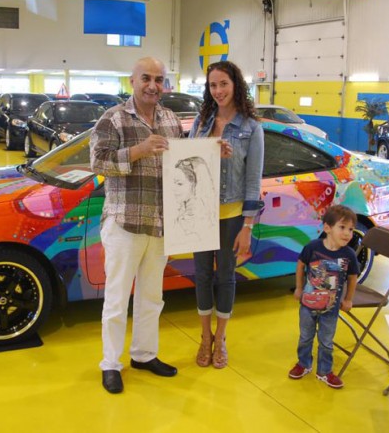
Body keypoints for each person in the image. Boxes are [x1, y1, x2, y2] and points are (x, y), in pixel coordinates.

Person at [90, 57, 184, 394]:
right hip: (124, 224)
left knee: (152, 298)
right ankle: (110, 364)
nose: (153, 85)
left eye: (159, 79)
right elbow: (97, 162)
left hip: (159, 225)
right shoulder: (112, 118)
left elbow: (181, 164)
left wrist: (213, 152)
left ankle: (144, 355)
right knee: (117, 299)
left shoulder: (171, 119)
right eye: (146, 78)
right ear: (132, 80)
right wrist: (137, 151)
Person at [189, 60, 264, 369]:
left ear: (236, 86)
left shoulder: (251, 128)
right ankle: (205, 336)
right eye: (213, 85)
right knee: (202, 275)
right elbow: (187, 162)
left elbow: (253, 180)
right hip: (201, 212)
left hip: (232, 215)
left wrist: (248, 226)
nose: (218, 91)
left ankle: (220, 338)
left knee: (225, 276)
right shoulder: (201, 122)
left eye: (224, 84)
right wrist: (209, 150)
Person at [288, 204, 360, 389]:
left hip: (331, 308)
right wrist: (299, 288)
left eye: (351, 229)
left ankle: (324, 371)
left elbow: (352, 277)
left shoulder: (349, 255)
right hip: (307, 305)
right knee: (305, 337)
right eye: (342, 227)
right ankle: (303, 363)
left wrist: (348, 299)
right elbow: (300, 265)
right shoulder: (313, 247)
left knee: (326, 341)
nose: (347, 233)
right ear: (327, 228)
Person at [172, 156, 217, 241]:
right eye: (173, 183)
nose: (173, 188)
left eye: (179, 183)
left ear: (195, 185)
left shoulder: (201, 222)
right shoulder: (180, 216)